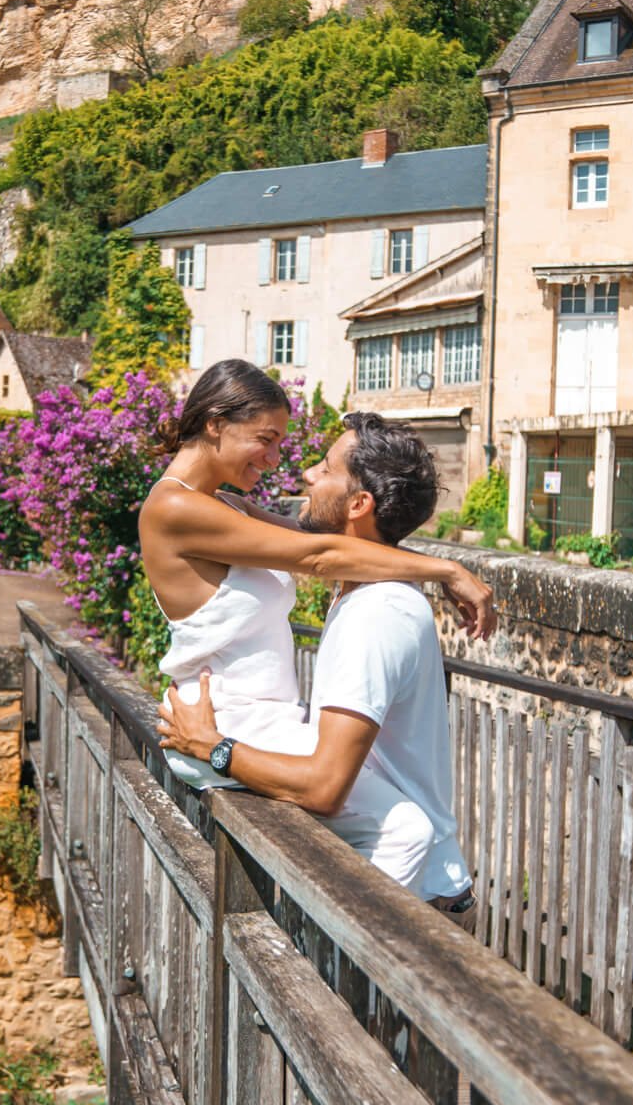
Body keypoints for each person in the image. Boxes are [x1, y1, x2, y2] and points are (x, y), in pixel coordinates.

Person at [138, 363, 492, 903]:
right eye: (266, 439)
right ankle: (356, 957)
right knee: (400, 828)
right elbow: (318, 553)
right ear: (215, 423)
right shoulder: (174, 507)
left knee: (359, 792)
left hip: (266, 718)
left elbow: (324, 541)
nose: (279, 461)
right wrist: (446, 571)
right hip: (228, 717)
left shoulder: (225, 505)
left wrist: (433, 566)